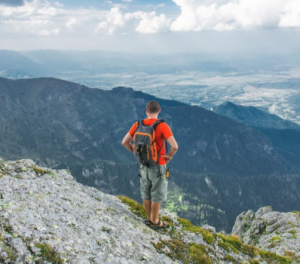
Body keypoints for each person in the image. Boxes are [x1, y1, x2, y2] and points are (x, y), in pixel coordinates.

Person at [121, 100, 178, 229]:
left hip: (142, 164)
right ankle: (155, 221)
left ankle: (148, 218)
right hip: (158, 165)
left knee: (146, 192)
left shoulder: (138, 124)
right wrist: (169, 156)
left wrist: (134, 151)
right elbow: (175, 146)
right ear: (159, 111)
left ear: (147, 111)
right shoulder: (162, 126)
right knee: (157, 193)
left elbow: (124, 142)